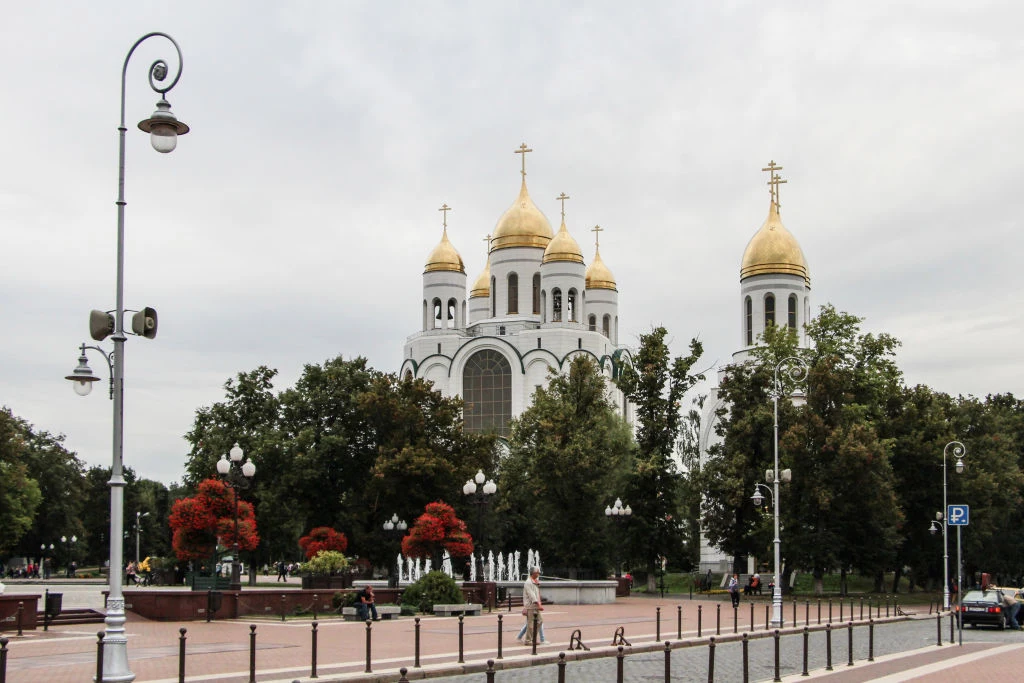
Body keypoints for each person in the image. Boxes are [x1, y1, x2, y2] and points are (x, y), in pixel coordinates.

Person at [518, 566, 546, 644]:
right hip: (531, 605)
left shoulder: (534, 581)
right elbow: (532, 595)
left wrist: (539, 603)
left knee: (539, 621)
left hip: (535, 605)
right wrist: (538, 604)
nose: (538, 574)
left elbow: (537, 593)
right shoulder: (528, 582)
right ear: (533, 573)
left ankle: (532, 638)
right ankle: (528, 640)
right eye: (537, 573)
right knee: (530, 623)